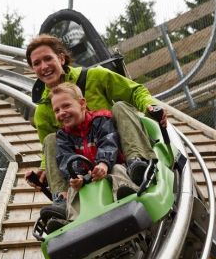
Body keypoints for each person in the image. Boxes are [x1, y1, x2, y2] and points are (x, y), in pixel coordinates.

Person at [24, 33, 168, 215]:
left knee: (121, 107)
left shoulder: (95, 76)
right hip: (81, 164)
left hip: (116, 150)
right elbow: (49, 146)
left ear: (61, 58)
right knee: (52, 139)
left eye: (48, 59)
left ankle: (137, 164)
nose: (44, 66)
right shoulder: (43, 111)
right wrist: (43, 170)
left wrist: (151, 107)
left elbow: (134, 91)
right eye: (37, 63)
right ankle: (62, 199)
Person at [41, 82, 142, 233]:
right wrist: (76, 176)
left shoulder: (100, 120)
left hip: (108, 167)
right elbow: (65, 158)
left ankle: (126, 193)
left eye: (66, 106)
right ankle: (70, 221)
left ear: (82, 104)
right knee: (74, 190)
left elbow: (108, 141)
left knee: (117, 169)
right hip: (86, 180)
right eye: (57, 110)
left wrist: (103, 163)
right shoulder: (62, 136)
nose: (62, 112)